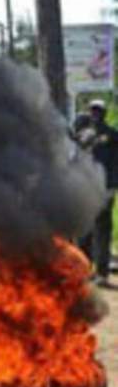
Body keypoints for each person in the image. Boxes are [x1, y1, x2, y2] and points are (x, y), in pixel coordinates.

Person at [78, 100, 118, 285]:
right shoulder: (82, 135)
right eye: (93, 110)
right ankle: (84, 269)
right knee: (84, 230)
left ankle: (102, 273)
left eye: (99, 111)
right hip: (85, 187)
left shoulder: (113, 135)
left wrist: (112, 187)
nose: (96, 114)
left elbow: (115, 164)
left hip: (104, 188)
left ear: (104, 112)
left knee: (102, 229)